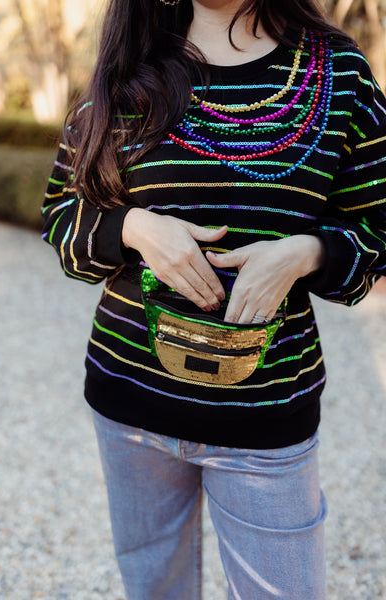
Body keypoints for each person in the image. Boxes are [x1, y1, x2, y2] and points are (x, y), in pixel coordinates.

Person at [42, 0, 386, 598]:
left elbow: (380, 229)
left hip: (265, 419)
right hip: (129, 407)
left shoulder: (340, 75)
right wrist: (133, 229)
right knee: (154, 587)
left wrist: (309, 252)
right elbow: (63, 212)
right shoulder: (129, 64)